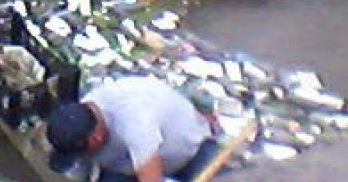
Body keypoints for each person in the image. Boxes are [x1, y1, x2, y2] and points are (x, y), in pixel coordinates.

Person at [46, 76, 221, 182]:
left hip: (192, 155)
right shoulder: (85, 116)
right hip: (128, 168)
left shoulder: (135, 119)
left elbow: (151, 175)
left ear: (96, 138)